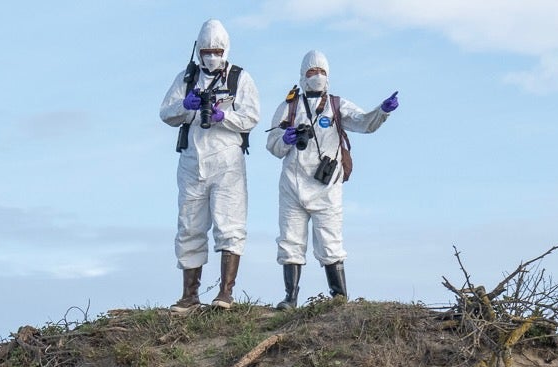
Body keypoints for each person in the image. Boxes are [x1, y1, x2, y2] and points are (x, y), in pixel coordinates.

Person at [266, 50, 398, 306]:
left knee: (330, 242)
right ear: (303, 76)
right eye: (312, 72)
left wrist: (382, 111)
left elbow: (364, 123)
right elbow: (272, 144)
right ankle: (290, 298)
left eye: (322, 72)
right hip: (293, 184)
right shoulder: (289, 107)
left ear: (329, 76)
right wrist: (285, 139)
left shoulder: (337, 105)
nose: (317, 76)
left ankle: (339, 298)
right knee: (290, 240)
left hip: (327, 185)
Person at [160, 19, 261, 311]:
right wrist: (186, 106)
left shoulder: (240, 78)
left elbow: (251, 117)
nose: (211, 55)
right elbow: (166, 112)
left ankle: (225, 292)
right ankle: (189, 295)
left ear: (225, 49)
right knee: (189, 225)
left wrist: (223, 116)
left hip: (227, 159)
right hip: (192, 159)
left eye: (216, 50)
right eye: (206, 50)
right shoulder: (187, 78)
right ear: (198, 50)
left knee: (230, 224)